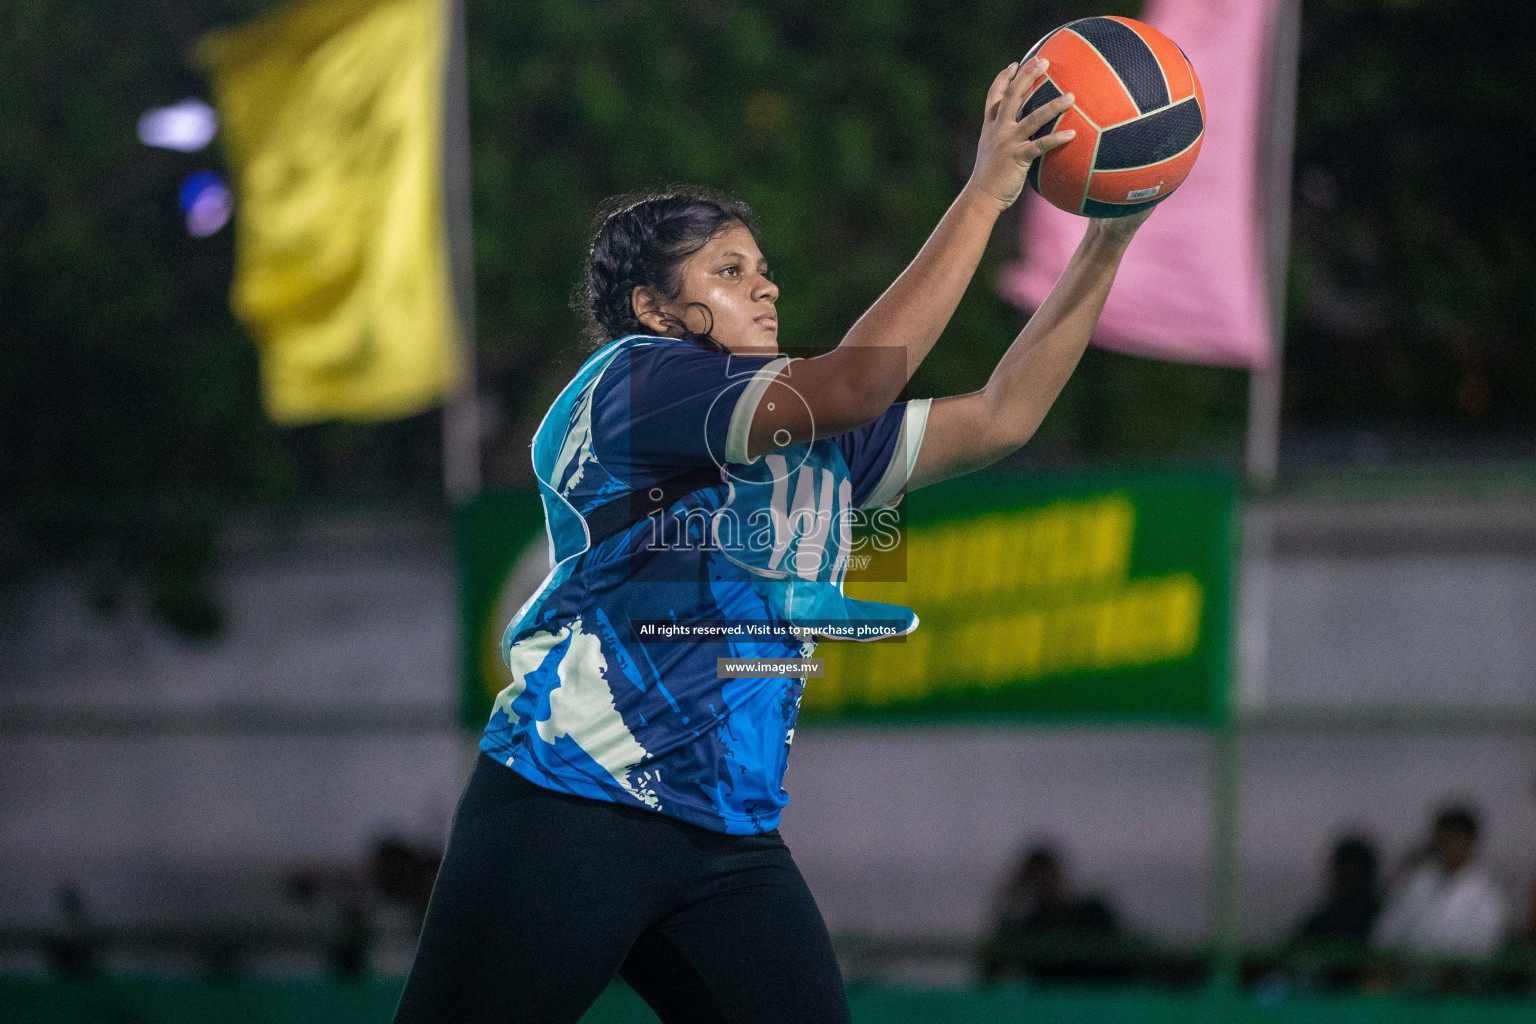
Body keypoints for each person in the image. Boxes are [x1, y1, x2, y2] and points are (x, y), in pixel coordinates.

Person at [394, 56, 1152, 1024]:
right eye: (730, 269)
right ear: (657, 310)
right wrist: (984, 194)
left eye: (763, 265)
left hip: (729, 839)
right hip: (571, 802)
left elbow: (1002, 415)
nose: (767, 284)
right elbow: (858, 382)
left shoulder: (808, 434)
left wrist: (1106, 244)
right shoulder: (635, 383)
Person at [1371, 805, 1507, 980]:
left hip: (1461, 990)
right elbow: (1388, 932)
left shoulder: (1487, 891)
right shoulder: (1417, 881)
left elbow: (1484, 947)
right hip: (1409, 984)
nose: (1446, 845)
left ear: (1470, 842)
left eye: (1454, 838)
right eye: (1442, 837)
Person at [978, 845, 1125, 985]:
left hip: (1100, 1003)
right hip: (1050, 1009)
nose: (1043, 883)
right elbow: (991, 972)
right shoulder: (1028, 929)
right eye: (1036, 876)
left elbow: (1127, 956)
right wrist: (1009, 906)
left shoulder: (1093, 912)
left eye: (1048, 874)